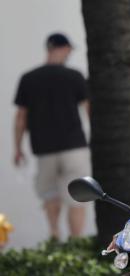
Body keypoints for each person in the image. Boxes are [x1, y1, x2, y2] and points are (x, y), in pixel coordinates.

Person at [13, 33, 90, 240]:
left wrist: (18, 148)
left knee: (50, 195)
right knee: (77, 197)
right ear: (62, 48)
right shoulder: (74, 75)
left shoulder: (28, 78)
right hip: (75, 147)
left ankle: (55, 237)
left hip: (44, 149)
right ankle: (76, 242)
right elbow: (89, 109)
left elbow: (21, 118)